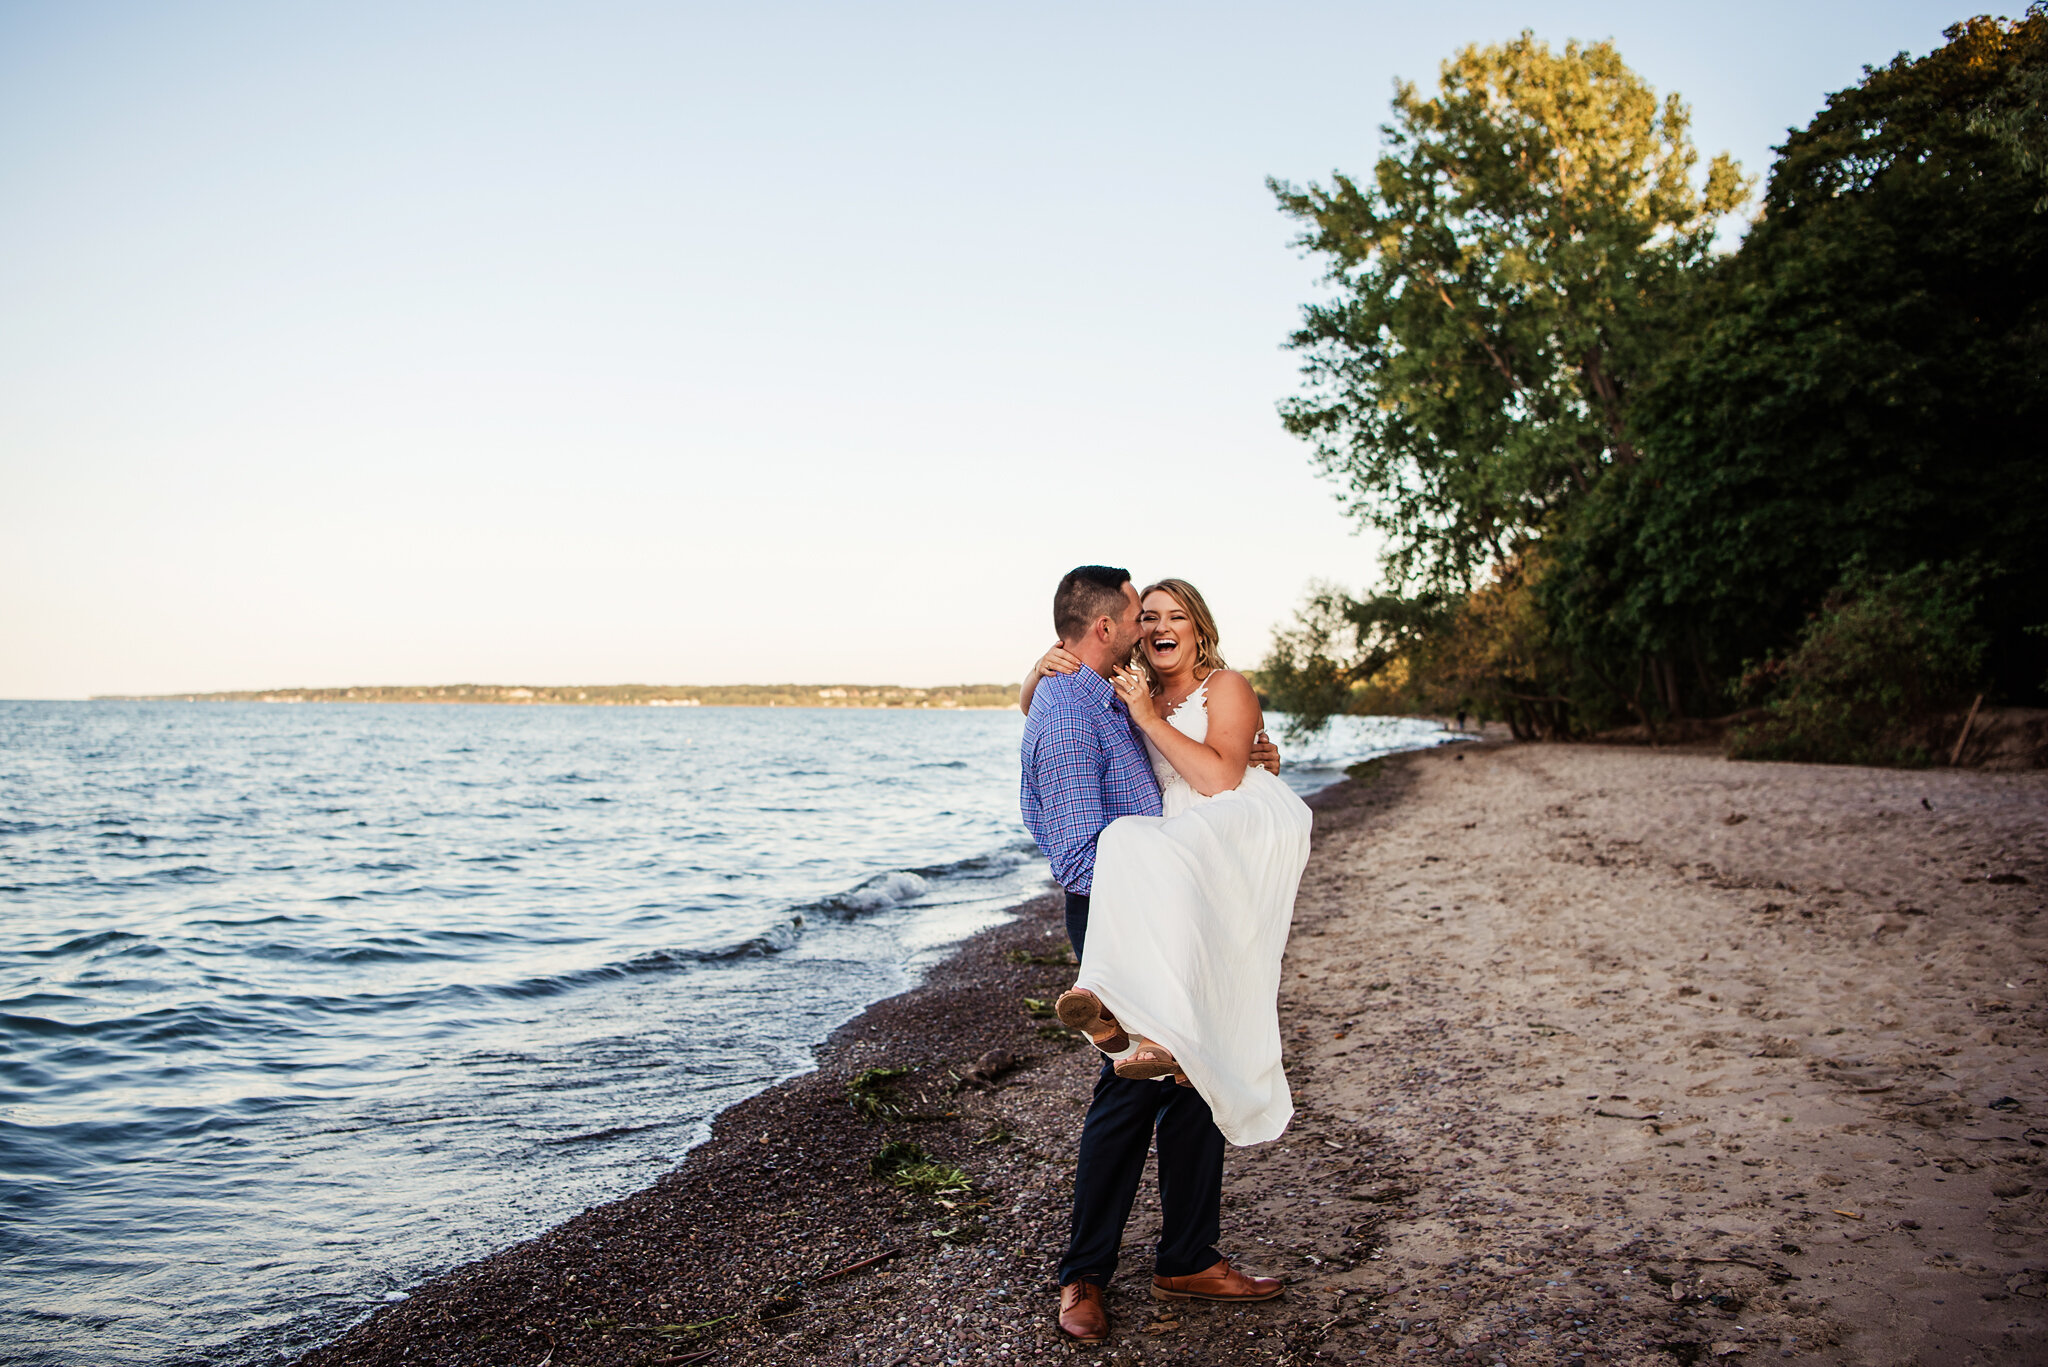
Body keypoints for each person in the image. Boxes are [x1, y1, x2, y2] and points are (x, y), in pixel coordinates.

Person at [1018, 565, 1294, 1347]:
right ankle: (1084, 1272)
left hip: (1198, 894)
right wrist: (1037, 672)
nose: (1152, 624)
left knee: (1194, 1068)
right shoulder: (1089, 691)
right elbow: (1077, 840)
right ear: (1115, 627)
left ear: (1198, 626)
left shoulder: (1134, 688)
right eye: (1145, 612)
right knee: (1131, 1085)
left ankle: (1188, 1256)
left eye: (1168, 615)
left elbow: (1221, 774)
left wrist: (1250, 760)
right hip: (1127, 900)